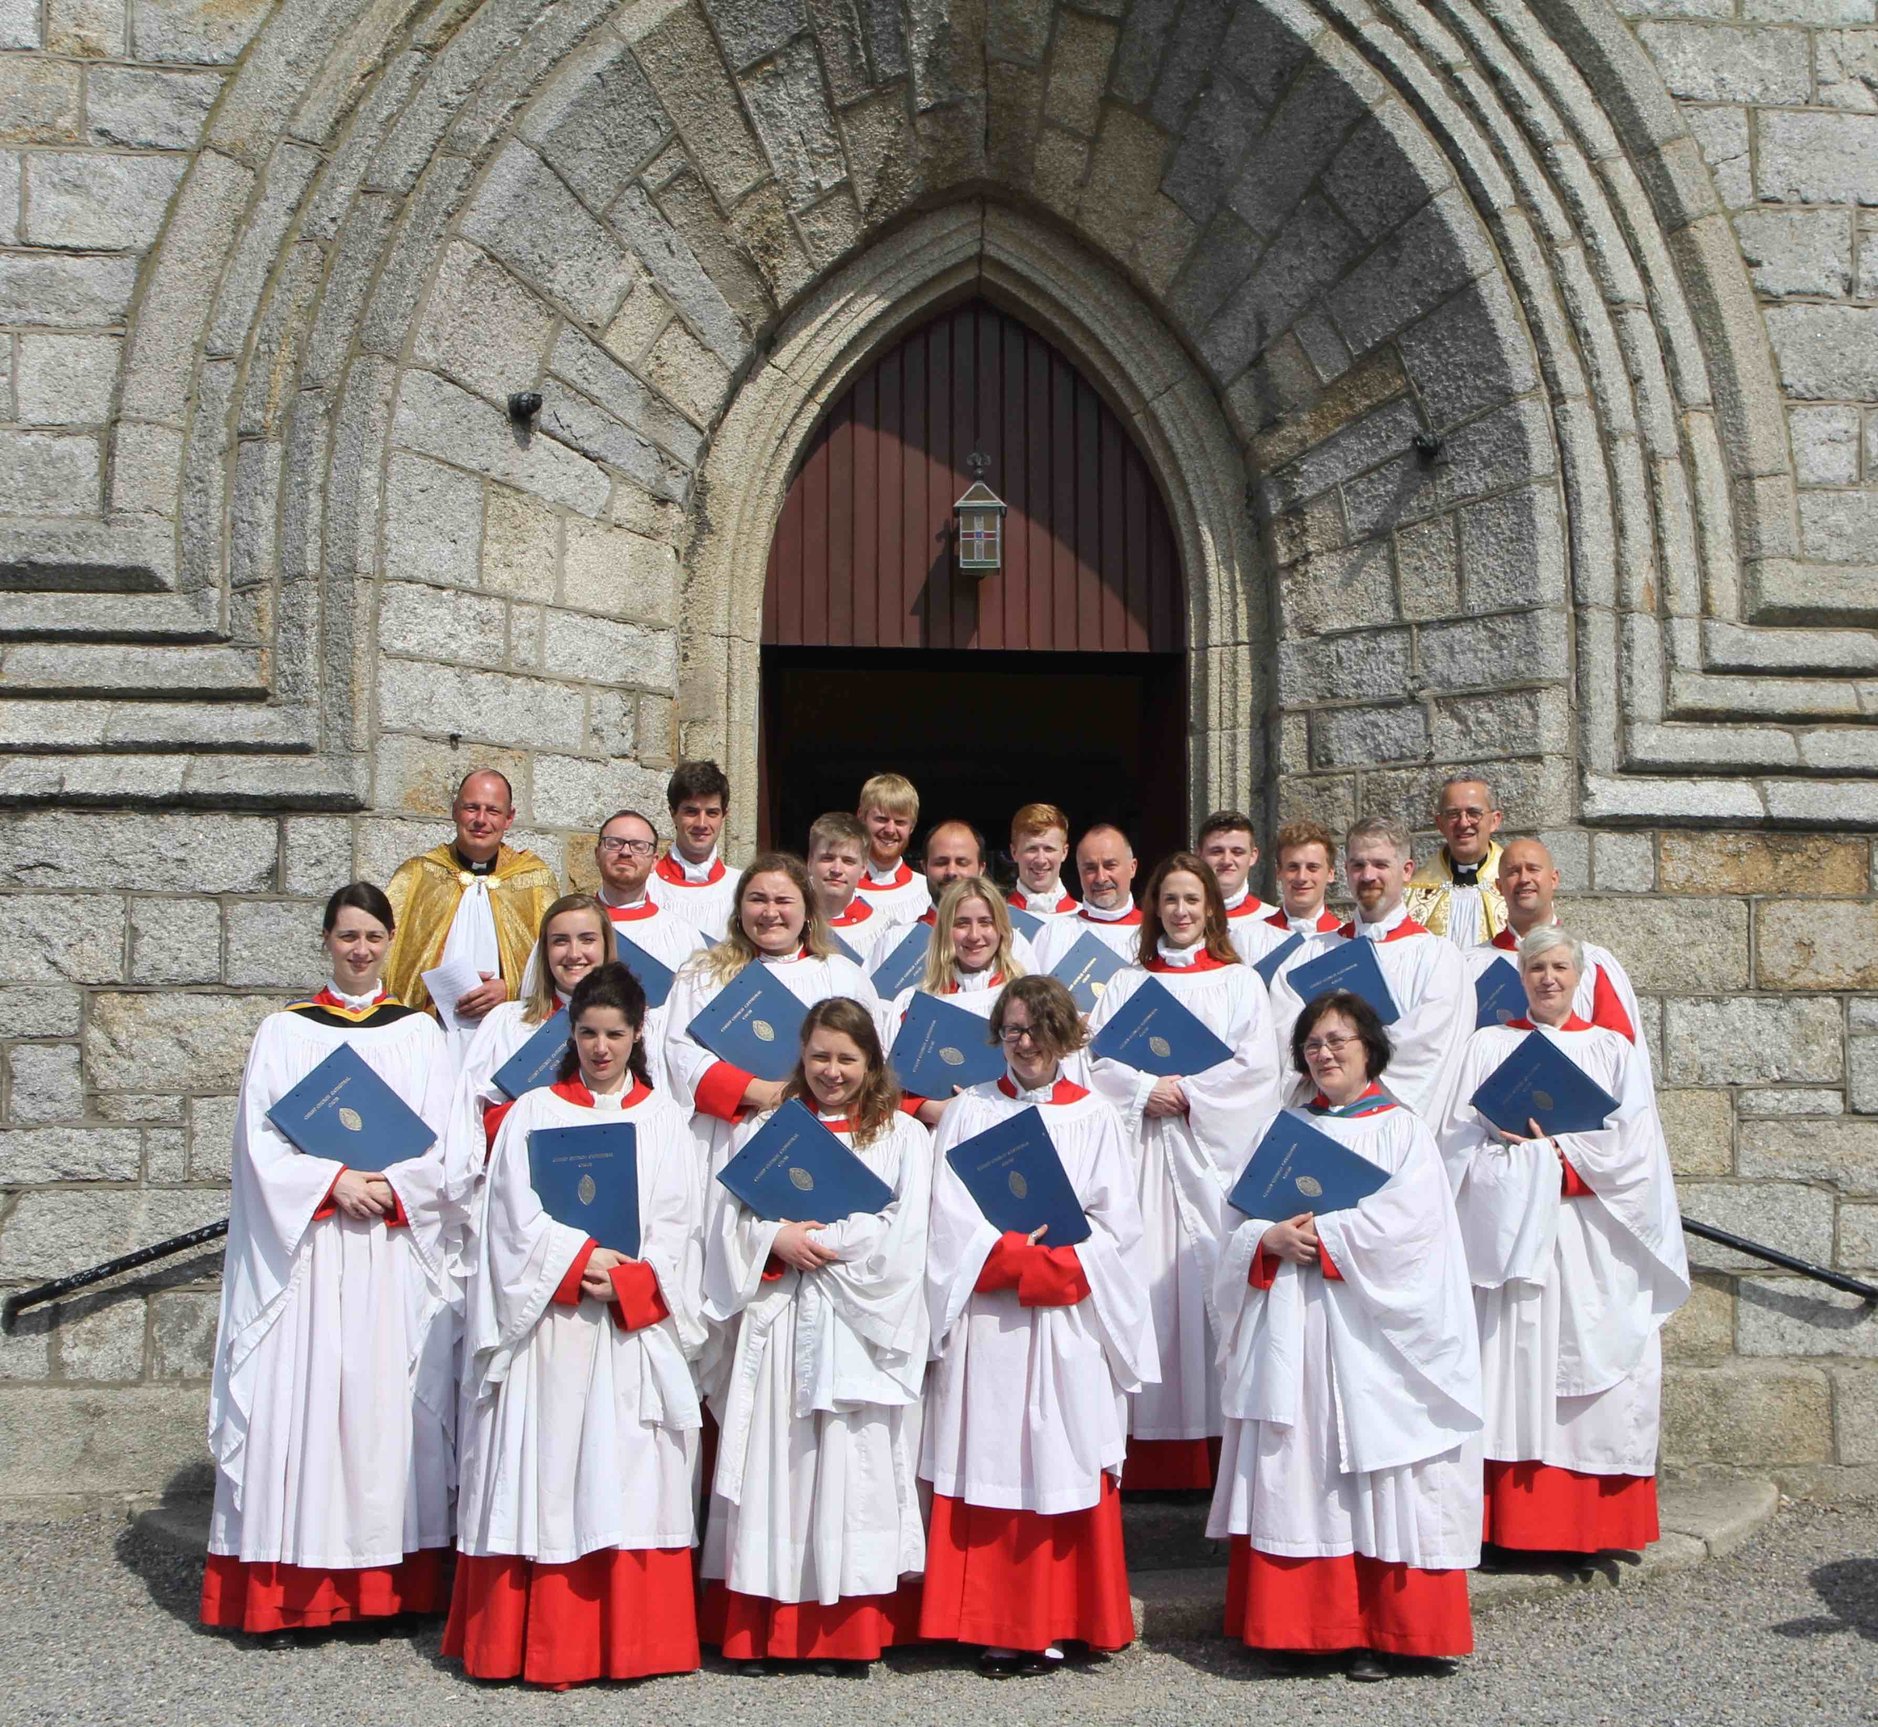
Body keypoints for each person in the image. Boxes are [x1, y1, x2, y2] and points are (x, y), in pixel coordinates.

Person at [202, 883, 455, 1637]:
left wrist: (389, 1186)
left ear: (390, 940)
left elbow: (449, 1145)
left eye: (374, 936)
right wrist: (332, 1182)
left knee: (384, 1405)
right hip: (309, 1253)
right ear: (326, 939)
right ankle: (295, 1586)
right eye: (348, 935)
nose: (360, 949)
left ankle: (389, 1584)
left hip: (388, 1249)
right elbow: (258, 1145)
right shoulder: (284, 1031)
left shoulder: (419, 1033)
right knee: (304, 1401)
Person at [445, 963, 707, 1687]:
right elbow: (507, 1221)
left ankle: (635, 1643)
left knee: (624, 1471)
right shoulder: (533, 1112)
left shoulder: (663, 1119)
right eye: (587, 1032)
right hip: (552, 1327)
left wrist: (630, 1277)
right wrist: (578, 1262)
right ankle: (537, 1643)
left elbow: (681, 1225)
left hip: (628, 1326)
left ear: (636, 1035)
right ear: (570, 1032)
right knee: (551, 1469)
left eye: (613, 1034)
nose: (599, 1047)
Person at [1209, 990, 1483, 1680]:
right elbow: (1234, 1218)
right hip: (1293, 1332)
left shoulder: (1401, 1130)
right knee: (1299, 1464)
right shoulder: (1283, 1127)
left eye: (1338, 1041)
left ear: (1370, 1050)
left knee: (1372, 1465)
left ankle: (1381, 1628)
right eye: (1312, 1044)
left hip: (1369, 1339)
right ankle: (1299, 1627)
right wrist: (1264, 1239)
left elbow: (1412, 1230)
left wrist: (1326, 1234)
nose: (1324, 1053)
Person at [921, 976, 1157, 1675]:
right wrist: (1011, 1257)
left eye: (1040, 1030)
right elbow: (944, 1221)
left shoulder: (1095, 1117)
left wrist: (1062, 1265)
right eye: (1016, 1029)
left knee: (1063, 1458)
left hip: (1068, 1322)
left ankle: (1069, 1617)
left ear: (1066, 1037)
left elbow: (1120, 1228)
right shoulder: (968, 1111)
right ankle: (998, 1623)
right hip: (990, 1320)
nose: (1027, 1043)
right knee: (994, 1460)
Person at [1436, 928, 1688, 1558]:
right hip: (1512, 1238)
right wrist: (1522, 1164)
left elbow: (1637, 1151)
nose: (1548, 978)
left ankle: (1590, 1526)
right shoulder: (1488, 1046)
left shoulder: (1612, 1050)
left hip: (1588, 1236)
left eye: (1559, 968)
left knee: (1592, 1359)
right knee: (1510, 1364)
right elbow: (1457, 1143)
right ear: (1520, 978)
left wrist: (1554, 1157)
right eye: (1536, 969)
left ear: (1580, 977)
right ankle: (1507, 1525)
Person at [699, 999, 932, 1670]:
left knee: (847, 1471)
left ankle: (844, 1631)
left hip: (854, 1329)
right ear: (801, 1057)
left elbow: (905, 1231)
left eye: (847, 1058)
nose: (832, 1071)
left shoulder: (901, 1136)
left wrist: (821, 1239)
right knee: (781, 1464)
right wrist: (774, 1236)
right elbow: (726, 1222)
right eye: (820, 1056)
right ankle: (765, 1628)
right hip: (778, 1318)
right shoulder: (767, 1128)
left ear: (873, 1062)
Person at [1087, 854, 1286, 1489]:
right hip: (1143, 1154)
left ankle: (1210, 1450)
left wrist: (1191, 1095)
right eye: (1169, 900)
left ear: (1212, 909)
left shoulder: (1239, 982)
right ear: (1154, 910)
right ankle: (1145, 1451)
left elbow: (1258, 1071)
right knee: (1144, 1283)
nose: (1180, 912)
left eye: (1192, 901)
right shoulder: (1125, 984)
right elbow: (1095, 1063)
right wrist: (1145, 1089)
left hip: (1209, 1164)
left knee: (1206, 1284)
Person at [662, 853, 884, 1165]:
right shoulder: (705, 975)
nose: (770, 912)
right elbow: (679, 1054)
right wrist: (762, 1092)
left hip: (824, 1130)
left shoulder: (844, 975)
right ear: (739, 909)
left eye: (783, 901)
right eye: (757, 899)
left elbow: (875, 1055)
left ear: (807, 910)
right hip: (729, 1136)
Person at [1268, 817, 1472, 1120]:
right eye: (1357, 865)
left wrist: (1347, 1069)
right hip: (1322, 1118)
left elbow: (1430, 1046)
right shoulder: (1310, 954)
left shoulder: (1439, 957)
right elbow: (1283, 1037)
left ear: (1407, 871)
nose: (1368, 875)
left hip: (1393, 1121)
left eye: (1380, 864)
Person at [449, 894, 615, 1220]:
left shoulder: (635, 1028)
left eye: (587, 939)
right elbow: (473, 1118)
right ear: (544, 951)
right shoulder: (507, 1022)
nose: (574, 953)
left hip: (608, 1189)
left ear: (607, 947)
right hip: (518, 1195)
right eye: (560, 941)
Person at [383, 769, 558, 1064]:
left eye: (493, 810)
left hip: (507, 1041)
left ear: (509, 818)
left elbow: (557, 961)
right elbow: (389, 963)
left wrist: (510, 987)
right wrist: (437, 996)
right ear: (455, 811)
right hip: (433, 1040)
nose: (481, 820)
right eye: (471, 807)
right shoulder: (417, 876)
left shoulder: (534, 881)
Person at [1475, 837, 1649, 1076]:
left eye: (1533, 869)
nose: (1524, 879)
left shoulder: (1593, 961)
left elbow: (1619, 1056)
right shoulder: (1470, 964)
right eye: (1513, 872)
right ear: (1498, 886)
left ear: (1554, 878)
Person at [890, 875, 1028, 1127]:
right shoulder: (914, 1001)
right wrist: (928, 1109)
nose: (974, 935)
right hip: (934, 1135)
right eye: (962, 923)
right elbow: (885, 1082)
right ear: (944, 930)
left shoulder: (1026, 998)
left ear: (1001, 929)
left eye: (985, 922)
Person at [589, 807, 709, 1063]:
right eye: (614, 843)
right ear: (597, 853)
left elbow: (702, 1018)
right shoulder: (566, 927)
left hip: (660, 1068)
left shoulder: (682, 935)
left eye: (639, 846)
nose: (625, 852)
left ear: (655, 860)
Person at [910, 822, 1040, 973]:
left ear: (981, 868)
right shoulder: (900, 941)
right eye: (941, 862)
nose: (951, 871)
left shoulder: (1013, 944)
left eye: (962, 862)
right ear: (924, 867)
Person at [1405, 775, 1508, 949]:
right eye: (1453, 814)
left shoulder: (1518, 886)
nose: (1463, 822)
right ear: (1440, 823)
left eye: (1474, 813)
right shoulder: (1412, 892)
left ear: (1494, 820)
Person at [646, 760, 737, 941]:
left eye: (712, 813)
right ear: (673, 813)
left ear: (724, 816)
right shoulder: (646, 885)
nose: (701, 824)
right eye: (691, 812)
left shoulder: (741, 887)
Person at [1033, 823, 1143, 972]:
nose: (1101, 878)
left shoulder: (1154, 933)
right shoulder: (1054, 936)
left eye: (1110, 865)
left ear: (1132, 867)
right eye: (1090, 868)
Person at [807, 810, 896, 972]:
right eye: (827, 858)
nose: (836, 869)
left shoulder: (885, 930)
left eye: (848, 861)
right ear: (810, 862)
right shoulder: (790, 925)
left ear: (863, 868)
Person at [1197, 810, 1288, 964]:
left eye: (1237, 851)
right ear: (1199, 854)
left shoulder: (1275, 921)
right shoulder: (1182, 919)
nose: (1226, 860)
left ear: (1253, 856)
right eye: (1217, 851)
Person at [853, 771, 932, 926]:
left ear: (912, 827)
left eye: (900, 822)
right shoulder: (833, 887)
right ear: (861, 818)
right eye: (881, 819)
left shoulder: (927, 892)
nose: (890, 830)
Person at [1263, 819, 1344, 946]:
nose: (1302, 877)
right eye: (1293, 867)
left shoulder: (1345, 941)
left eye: (1312, 867)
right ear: (1278, 872)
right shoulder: (1247, 937)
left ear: (1330, 873)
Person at [1008, 802, 1078, 919]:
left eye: (1049, 849)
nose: (1041, 860)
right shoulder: (996, 919)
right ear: (1014, 852)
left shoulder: (1085, 921)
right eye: (1032, 849)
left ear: (1064, 852)